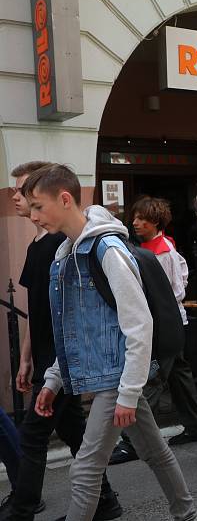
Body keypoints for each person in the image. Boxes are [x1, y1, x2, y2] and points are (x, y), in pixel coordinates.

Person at [22, 164, 197, 521]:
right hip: (110, 375)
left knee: (85, 469)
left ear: (65, 198)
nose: (34, 216)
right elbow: (74, 327)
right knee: (153, 450)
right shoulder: (66, 254)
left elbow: (138, 323)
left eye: (38, 206)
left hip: (115, 377)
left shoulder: (108, 250)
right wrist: (54, 379)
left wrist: (129, 391)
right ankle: (187, 515)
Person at [6, 161, 121, 521]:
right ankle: (105, 502)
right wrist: (26, 359)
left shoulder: (64, 242)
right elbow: (36, 310)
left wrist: (56, 367)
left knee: (33, 434)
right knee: (75, 433)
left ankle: (23, 507)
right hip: (45, 359)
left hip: (63, 360)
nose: (18, 197)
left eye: (26, 191)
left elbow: (75, 312)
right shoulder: (37, 248)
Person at [109, 197, 197, 466]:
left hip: (163, 323)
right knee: (178, 376)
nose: (135, 222)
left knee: (150, 379)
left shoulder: (162, 250)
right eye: (135, 218)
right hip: (169, 321)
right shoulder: (155, 247)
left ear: (156, 221)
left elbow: (173, 289)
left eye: (142, 219)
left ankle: (133, 441)